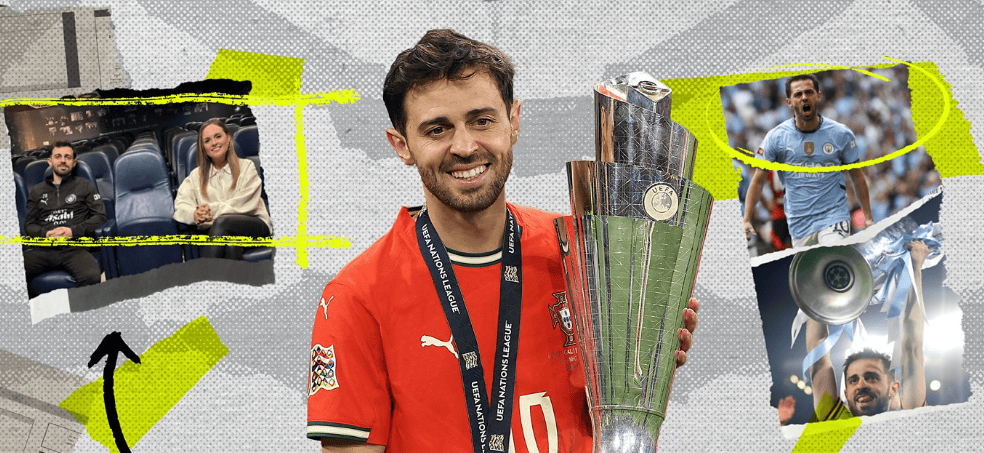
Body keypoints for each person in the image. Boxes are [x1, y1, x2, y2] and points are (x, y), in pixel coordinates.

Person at [307, 29, 699, 452]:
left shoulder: (583, 252)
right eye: (437, 129)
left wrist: (642, 364)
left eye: (482, 120)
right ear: (402, 146)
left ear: (513, 121)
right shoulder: (357, 297)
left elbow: (617, 417)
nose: (464, 146)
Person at [743, 73, 873, 248]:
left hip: (834, 218)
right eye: (798, 94)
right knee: (812, 265)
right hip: (799, 225)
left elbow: (857, 176)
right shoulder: (776, 138)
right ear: (789, 102)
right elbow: (758, 181)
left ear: (818, 96)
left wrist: (868, 216)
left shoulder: (840, 134)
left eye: (809, 92)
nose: (804, 97)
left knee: (832, 252)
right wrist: (746, 219)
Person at [806, 240, 928, 418]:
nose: (861, 385)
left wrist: (914, 268)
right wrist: (819, 277)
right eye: (853, 380)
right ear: (846, 394)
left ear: (893, 388)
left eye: (871, 377)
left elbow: (913, 347)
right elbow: (817, 352)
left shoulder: (910, 418)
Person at [173, 118, 272, 260]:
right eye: (207, 141)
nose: (214, 143)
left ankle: (204, 273)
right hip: (220, 233)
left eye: (218, 136)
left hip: (254, 225)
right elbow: (181, 204)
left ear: (228, 138)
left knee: (222, 222)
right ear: (203, 148)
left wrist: (210, 210)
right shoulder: (196, 175)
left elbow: (244, 204)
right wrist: (195, 214)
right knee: (231, 246)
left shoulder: (247, 167)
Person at [23, 142, 106, 290]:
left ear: (74, 163)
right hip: (44, 249)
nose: (63, 160)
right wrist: (46, 234)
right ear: (50, 161)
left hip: (75, 248)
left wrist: (73, 231)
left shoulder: (84, 185)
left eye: (68, 157)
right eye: (58, 156)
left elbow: (100, 217)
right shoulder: (36, 191)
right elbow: (29, 226)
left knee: (91, 276)